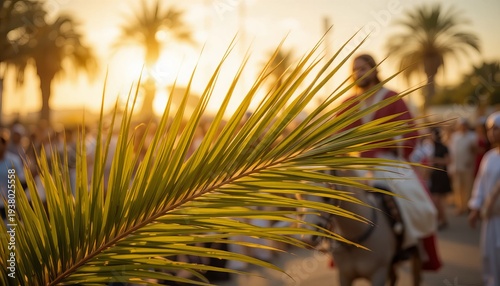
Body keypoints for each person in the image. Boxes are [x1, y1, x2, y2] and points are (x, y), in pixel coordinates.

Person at [338, 53, 440, 270]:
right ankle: (339, 249)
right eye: (355, 69)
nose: (359, 73)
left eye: (363, 68)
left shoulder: (391, 97)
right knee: (335, 199)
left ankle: (412, 244)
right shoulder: (348, 104)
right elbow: (336, 135)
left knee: (416, 201)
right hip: (358, 166)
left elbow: (409, 131)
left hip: (387, 163)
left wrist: (391, 140)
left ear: (375, 70)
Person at [468, 111, 500, 286]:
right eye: (489, 129)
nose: (492, 133)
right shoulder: (488, 157)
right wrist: (475, 209)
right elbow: (479, 184)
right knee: (489, 255)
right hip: (490, 216)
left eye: (496, 128)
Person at [449, 118, 478, 215]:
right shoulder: (455, 136)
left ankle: (467, 207)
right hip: (457, 166)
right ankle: (460, 207)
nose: (463, 127)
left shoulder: (473, 136)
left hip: (467, 166)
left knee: (468, 187)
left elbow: (474, 151)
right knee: (457, 187)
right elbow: (452, 152)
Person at [428, 127, 452, 230]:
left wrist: (436, 160)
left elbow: (448, 161)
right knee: (435, 201)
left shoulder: (443, 147)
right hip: (434, 175)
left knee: (438, 200)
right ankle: (442, 220)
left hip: (441, 175)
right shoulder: (430, 147)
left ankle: (441, 220)